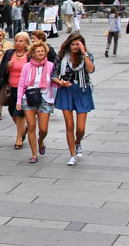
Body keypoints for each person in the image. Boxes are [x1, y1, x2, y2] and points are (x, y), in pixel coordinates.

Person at [52, 34, 95, 166]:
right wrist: (61, 82)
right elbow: (54, 75)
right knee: (69, 125)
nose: (75, 47)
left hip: (82, 89)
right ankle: (72, 154)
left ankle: (78, 142)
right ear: (68, 44)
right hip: (66, 89)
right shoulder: (61, 57)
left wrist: (84, 53)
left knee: (81, 128)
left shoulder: (86, 55)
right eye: (73, 44)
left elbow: (91, 69)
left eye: (78, 44)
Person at [15, 42, 57, 164]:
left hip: (45, 97)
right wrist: (19, 100)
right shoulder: (27, 67)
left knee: (43, 129)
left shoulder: (50, 66)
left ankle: (41, 141)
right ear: (33, 53)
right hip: (29, 97)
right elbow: (21, 84)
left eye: (42, 51)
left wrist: (55, 95)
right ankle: (34, 154)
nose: (40, 53)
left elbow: (54, 83)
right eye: (38, 51)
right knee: (31, 126)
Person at [0, 32, 31, 150]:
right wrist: (7, 67)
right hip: (11, 88)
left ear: (26, 43)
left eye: (21, 41)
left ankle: (19, 138)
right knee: (12, 112)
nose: (18, 43)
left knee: (19, 112)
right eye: (16, 41)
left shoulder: (29, 55)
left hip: (24, 89)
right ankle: (23, 129)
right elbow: (2, 70)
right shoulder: (10, 53)